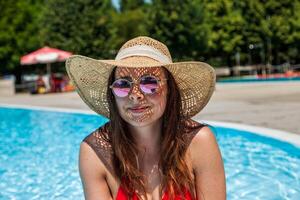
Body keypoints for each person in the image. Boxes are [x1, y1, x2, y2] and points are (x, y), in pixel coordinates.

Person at [66, 36, 226, 200]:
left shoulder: (199, 143)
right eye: (122, 84)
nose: (135, 96)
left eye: (149, 82)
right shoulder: (95, 152)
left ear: (170, 89)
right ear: (112, 94)